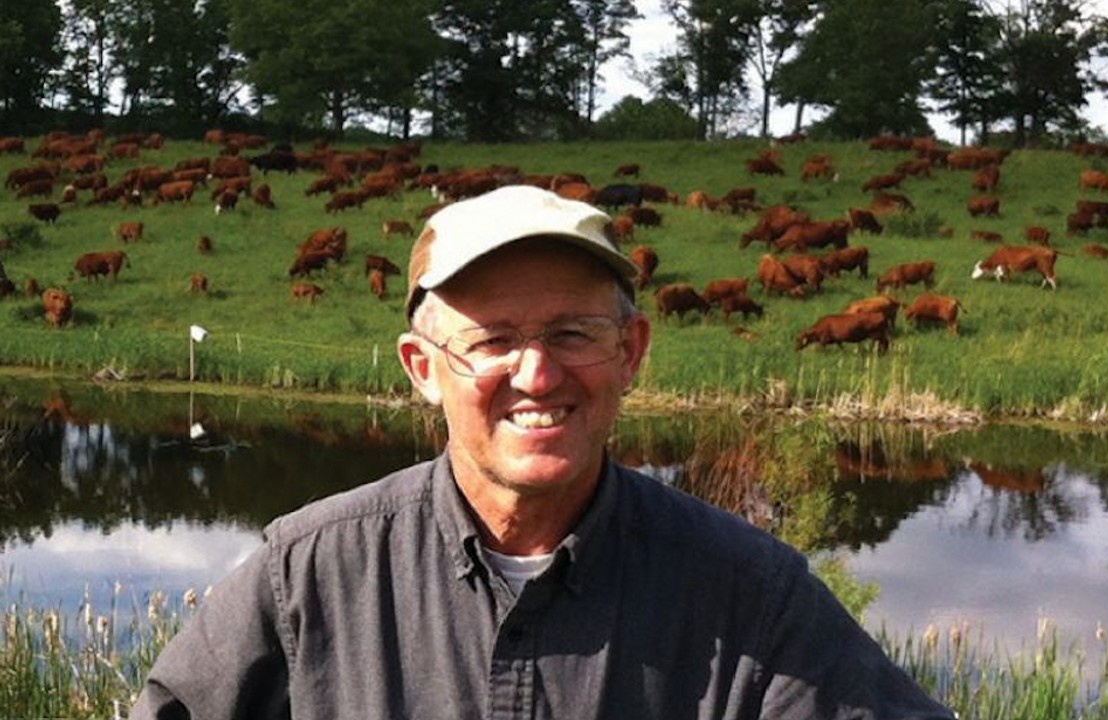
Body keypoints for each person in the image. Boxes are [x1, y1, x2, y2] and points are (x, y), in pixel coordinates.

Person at [131, 185, 955, 720]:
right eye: (492, 340)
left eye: (573, 334)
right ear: (423, 369)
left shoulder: (752, 595)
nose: (537, 375)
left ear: (631, 351)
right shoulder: (308, 573)